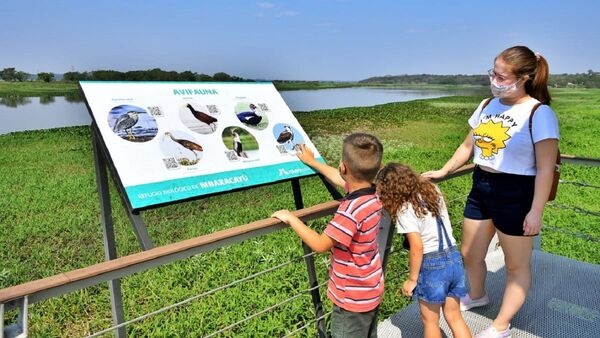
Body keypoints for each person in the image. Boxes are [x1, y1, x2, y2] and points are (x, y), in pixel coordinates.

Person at [423, 46, 560, 338]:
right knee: (469, 252)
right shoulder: (487, 105)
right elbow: (466, 146)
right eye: (493, 72)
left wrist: (536, 211)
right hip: (481, 184)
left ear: (523, 77)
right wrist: (444, 170)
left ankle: (501, 325)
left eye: (501, 75)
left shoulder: (539, 113)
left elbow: (546, 169)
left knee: (515, 265)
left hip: (517, 192)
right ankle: (476, 294)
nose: (494, 79)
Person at [272, 134, 384, 338]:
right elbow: (337, 177)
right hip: (370, 289)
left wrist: (292, 218)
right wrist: (312, 161)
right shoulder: (374, 194)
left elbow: (321, 244)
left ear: (343, 167)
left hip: (350, 300)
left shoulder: (349, 212)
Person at [376, 163, 471, 338]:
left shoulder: (405, 209)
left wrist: (412, 280)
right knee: (454, 316)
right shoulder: (433, 191)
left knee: (430, 322)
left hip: (432, 265)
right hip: (453, 257)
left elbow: (417, 246)